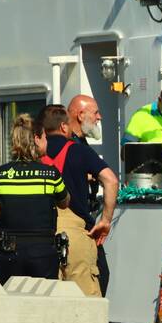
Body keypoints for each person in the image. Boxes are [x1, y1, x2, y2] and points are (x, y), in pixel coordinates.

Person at [38, 104, 118, 296]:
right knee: (90, 297)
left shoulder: (34, 153)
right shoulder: (78, 150)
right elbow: (111, 180)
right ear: (64, 127)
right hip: (76, 230)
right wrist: (105, 221)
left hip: (40, 232)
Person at [0, 113, 69, 284]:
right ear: (36, 139)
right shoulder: (50, 174)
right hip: (43, 253)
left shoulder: (0, 174)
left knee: (12, 305)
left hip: (8, 253)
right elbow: (65, 202)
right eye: (44, 137)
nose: (47, 141)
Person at [66, 94, 117, 295]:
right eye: (95, 112)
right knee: (98, 276)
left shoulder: (80, 145)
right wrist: (106, 220)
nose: (100, 117)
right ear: (80, 115)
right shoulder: (74, 147)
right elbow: (111, 180)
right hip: (79, 225)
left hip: (81, 220)